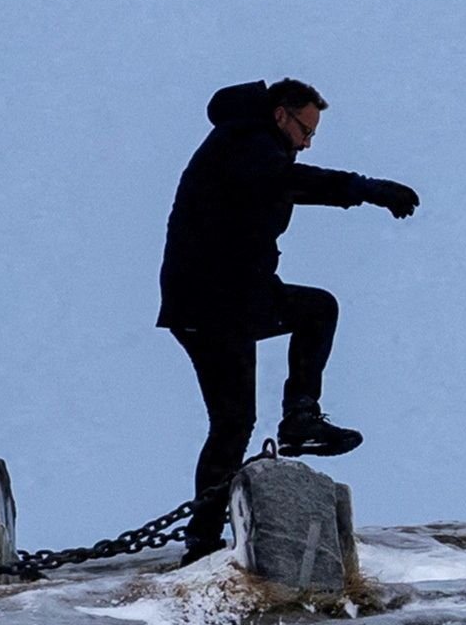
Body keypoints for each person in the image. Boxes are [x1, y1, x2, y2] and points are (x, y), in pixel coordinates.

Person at [157, 77, 417, 554]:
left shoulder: (255, 146)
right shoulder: (246, 142)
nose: (307, 141)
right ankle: (203, 535)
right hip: (211, 304)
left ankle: (300, 419)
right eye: (305, 130)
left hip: (235, 297)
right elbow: (288, 181)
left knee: (315, 312)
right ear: (281, 115)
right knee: (233, 421)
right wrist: (366, 189)